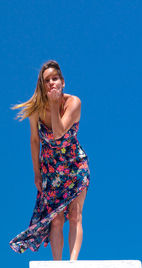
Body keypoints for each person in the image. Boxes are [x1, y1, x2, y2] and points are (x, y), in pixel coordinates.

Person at [9, 60, 90, 260]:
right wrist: (37, 172)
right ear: (42, 86)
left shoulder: (74, 102)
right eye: (47, 80)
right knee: (55, 219)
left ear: (63, 82)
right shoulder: (36, 109)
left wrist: (54, 105)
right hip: (51, 169)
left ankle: (73, 262)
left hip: (74, 165)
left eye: (55, 78)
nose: (52, 83)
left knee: (75, 214)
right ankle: (57, 264)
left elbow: (59, 132)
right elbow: (35, 140)